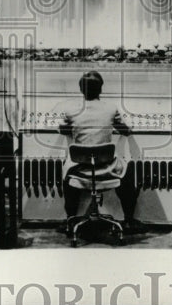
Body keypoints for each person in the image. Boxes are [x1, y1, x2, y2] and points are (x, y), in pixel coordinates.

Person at [58, 70, 141, 234]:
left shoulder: (71, 111)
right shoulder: (111, 108)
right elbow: (125, 130)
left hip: (80, 169)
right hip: (106, 169)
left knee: (66, 173)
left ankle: (70, 219)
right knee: (128, 173)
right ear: (101, 89)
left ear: (81, 90)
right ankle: (129, 219)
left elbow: (62, 129)